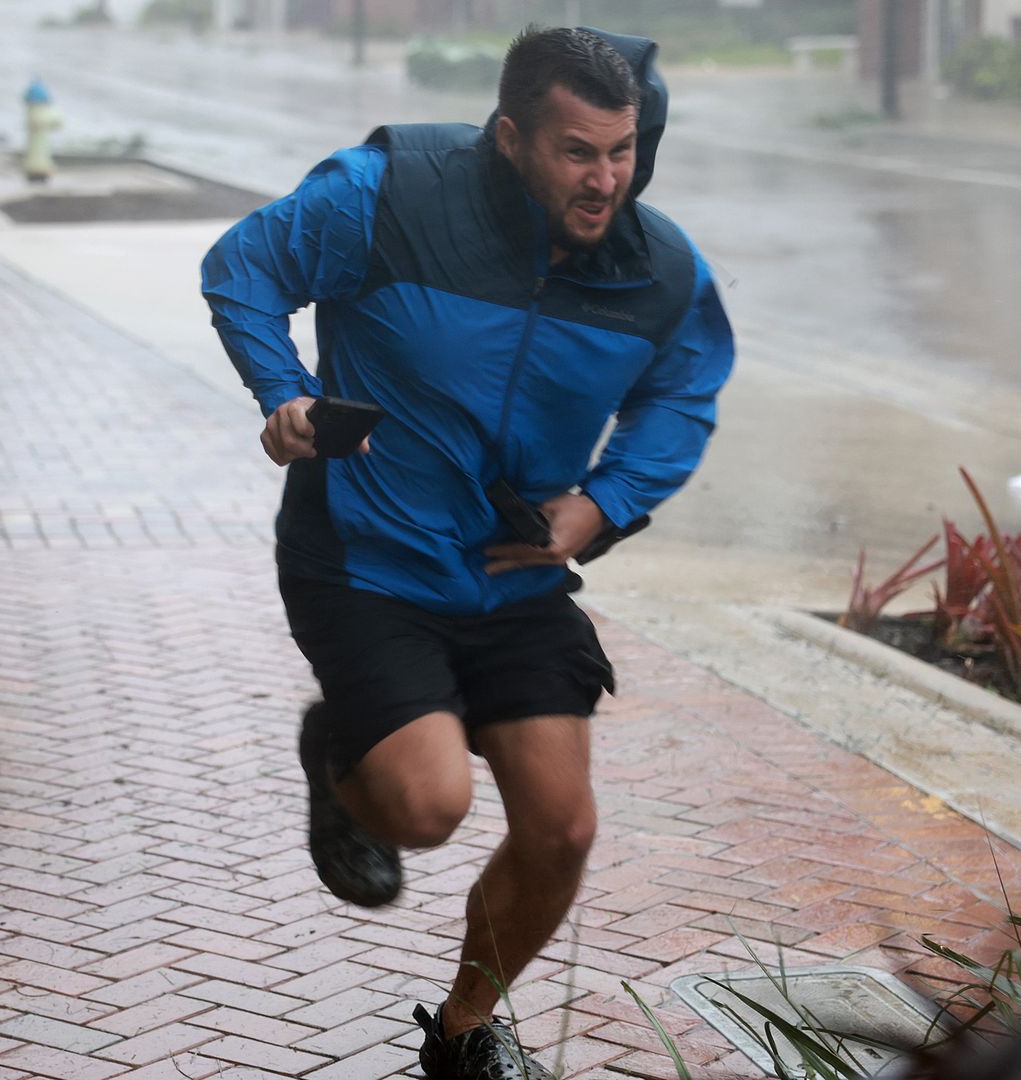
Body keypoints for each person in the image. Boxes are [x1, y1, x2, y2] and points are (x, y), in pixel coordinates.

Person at [201, 26, 734, 1080]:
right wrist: (284, 394)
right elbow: (245, 266)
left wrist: (603, 504)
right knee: (428, 808)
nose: (606, 179)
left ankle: (462, 1033)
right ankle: (343, 763)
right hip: (366, 553)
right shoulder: (387, 195)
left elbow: (684, 387)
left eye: (623, 150)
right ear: (509, 139)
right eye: (578, 151)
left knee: (562, 829)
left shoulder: (659, 269)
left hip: (512, 570)